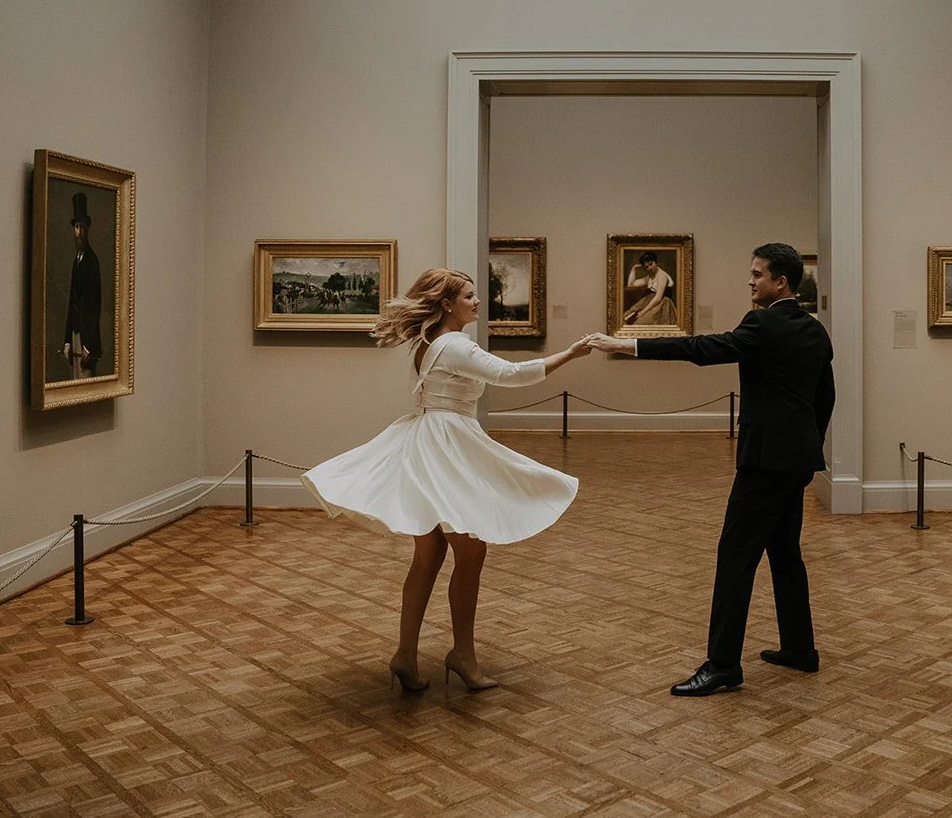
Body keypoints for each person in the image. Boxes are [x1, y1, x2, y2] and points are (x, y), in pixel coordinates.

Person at [301, 267, 593, 694]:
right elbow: (512, 376)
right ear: (446, 305)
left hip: (427, 438)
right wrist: (571, 353)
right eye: (470, 297)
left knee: (431, 551)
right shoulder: (455, 345)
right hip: (448, 444)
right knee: (470, 552)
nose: (477, 302)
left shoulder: (426, 342)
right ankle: (462, 655)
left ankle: (406, 654)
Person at [588, 242, 834, 696]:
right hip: (796, 461)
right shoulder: (815, 331)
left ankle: (722, 665)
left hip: (764, 463)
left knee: (735, 558)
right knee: (784, 553)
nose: (751, 280)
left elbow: (702, 348)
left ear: (780, 282)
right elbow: (825, 399)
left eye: (758, 274)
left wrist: (625, 344)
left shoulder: (762, 324)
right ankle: (800, 649)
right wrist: (806, 448)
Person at [62, 192, 102, 378]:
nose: (79, 231)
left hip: (87, 340)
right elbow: (72, 302)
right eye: (76, 227)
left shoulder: (91, 261)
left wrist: (88, 346)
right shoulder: (76, 259)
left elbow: (95, 307)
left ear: (88, 229)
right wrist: (67, 342)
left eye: (82, 227)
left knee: (86, 384)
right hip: (75, 335)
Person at [622, 252, 677, 326]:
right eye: (646, 267)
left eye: (651, 264)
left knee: (639, 323)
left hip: (662, 304)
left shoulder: (662, 276)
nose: (649, 268)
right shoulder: (650, 277)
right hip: (649, 301)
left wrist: (643, 312)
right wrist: (633, 269)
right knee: (626, 317)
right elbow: (631, 285)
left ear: (656, 262)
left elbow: (658, 298)